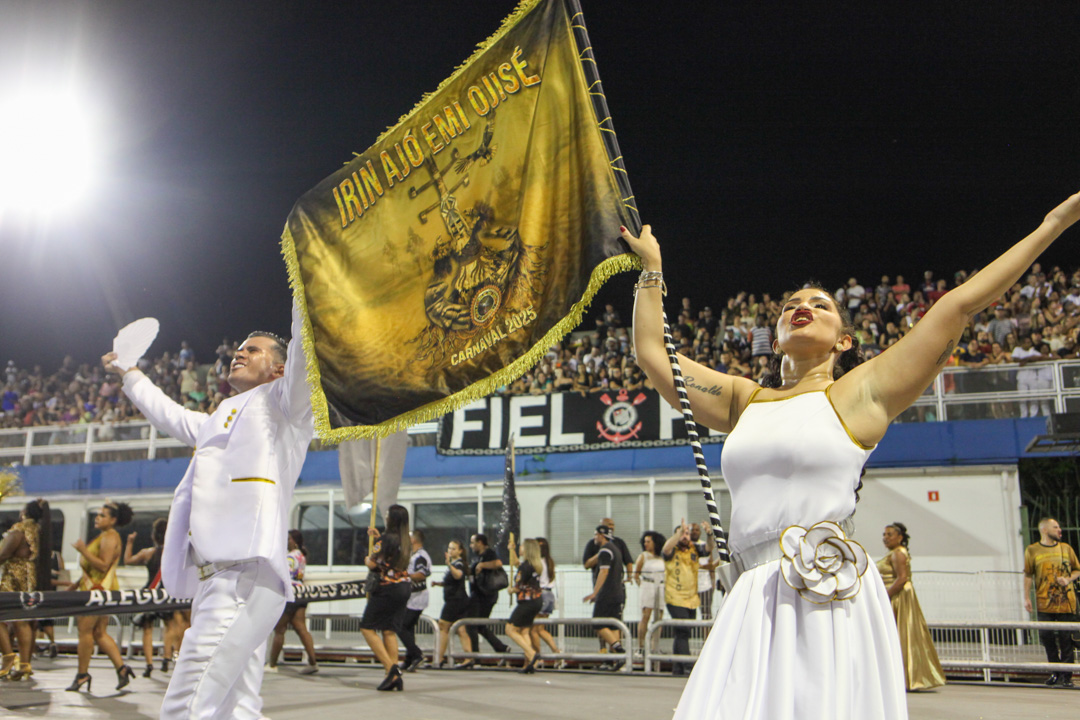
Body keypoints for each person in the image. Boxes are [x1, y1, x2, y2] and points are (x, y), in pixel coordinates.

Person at [621, 190, 1080, 719]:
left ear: (843, 341)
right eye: (792, 303)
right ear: (774, 336)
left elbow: (958, 304)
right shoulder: (740, 398)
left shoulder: (862, 392)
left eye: (822, 304)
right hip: (751, 598)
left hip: (829, 601)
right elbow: (651, 351)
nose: (803, 307)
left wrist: (1055, 222)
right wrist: (652, 270)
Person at [103, 299, 312, 720]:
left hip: (242, 575)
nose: (239, 351)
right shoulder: (218, 419)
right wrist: (130, 373)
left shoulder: (288, 404)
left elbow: (305, 345)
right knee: (237, 708)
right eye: (239, 347)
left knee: (187, 703)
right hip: (217, 580)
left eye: (253, 350)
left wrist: (305, 279)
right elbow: (169, 415)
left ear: (278, 370)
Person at [67, 501, 137, 692]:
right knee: (99, 633)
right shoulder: (105, 536)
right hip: (97, 589)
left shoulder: (109, 537)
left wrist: (82, 551)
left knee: (85, 632)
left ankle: (82, 674)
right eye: (98, 514)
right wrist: (74, 586)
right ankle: (122, 669)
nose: (97, 517)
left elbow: (103, 565)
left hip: (98, 591)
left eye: (103, 515)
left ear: (113, 520)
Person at [877, 523, 945, 691]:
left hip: (899, 597)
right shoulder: (894, 553)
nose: (886, 537)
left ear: (900, 537)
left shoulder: (898, 554)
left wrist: (885, 596)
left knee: (901, 634)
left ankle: (906, 677)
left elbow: (902, 578)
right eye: (884, 534)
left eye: (890, 534)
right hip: (898, 595)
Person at [0, 498, 53, 680]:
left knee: (6, 618)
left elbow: (4, 554)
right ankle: (25, 664)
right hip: (31, 578)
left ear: (24, 512)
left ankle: (8, 657)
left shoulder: (20, 529)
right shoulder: (40, 531)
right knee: (25, 620)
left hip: (14, 578)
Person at [1023, 517, 1080, 688]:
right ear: (1044, 530)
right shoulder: (1032, 550)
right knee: (1047, 638)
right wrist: (1026, 597)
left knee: (1066, 639)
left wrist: (1068, 579)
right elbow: (1028, 575)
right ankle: (1054, 671)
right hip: (1044, 602)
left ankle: (1066, 676)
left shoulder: (1066, 548)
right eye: (1055, 527)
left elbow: (1077, 570)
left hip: (1066, 602)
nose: (1059, 529)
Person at [361, 504, 412, 691]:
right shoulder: (406, 540)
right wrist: (377, 538)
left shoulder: (385, 539)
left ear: (392, 519)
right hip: (404, 587)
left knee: (367, 627)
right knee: (389, 630)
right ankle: (391, 673)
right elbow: (392, 556)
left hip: (387, 588)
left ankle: (392, 670)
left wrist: (368, 557)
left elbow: (374, 564)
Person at [125, 518, 183, 678]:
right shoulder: (174, 554)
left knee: (147, 629)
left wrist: (130, 542)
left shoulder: (147, 553)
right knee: (170, 626)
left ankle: (149, 664)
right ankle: (166, 658)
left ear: (154, 535)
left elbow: (127, 561)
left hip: (150, 593)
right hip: (166, 593)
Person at [267, 529, 319, 675]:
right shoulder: (301, 556)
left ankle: (272, 664)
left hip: (290, 594)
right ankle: (313, 662)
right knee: (301, 627)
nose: (286, 542)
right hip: (301, 592)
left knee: (279, 629)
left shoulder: (290, 557)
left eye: (288, 539)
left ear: (294, 541)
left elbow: (285, 574)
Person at [460, 533, 511, 666]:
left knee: (471, 624)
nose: (471, 546)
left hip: (484, 595)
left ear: (480, 543)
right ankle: (501, 648)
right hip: (482, 594)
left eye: (473, 543)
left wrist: (482, 565)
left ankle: (475, 658)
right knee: (481, 625)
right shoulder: (478, 557)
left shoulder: (488, 554)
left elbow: (498, 563)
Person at [583, 525, 627, 665]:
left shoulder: (605, 551)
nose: (594, 538)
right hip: (618, 593)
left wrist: (595, 593)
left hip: (607, 594)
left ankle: (619, 650)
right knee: (613, 626)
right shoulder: (616, 549)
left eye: (596, 535)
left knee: (598, 623)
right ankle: (616, 660)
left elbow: (603, 572)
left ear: (601, 535)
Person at [662, 520, 700, 676]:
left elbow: (710, 548)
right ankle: (687, 665)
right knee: (683, 630)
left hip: (692, 599)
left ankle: (677, 667)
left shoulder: (694, 549)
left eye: (686, 534)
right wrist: (678, 534)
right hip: (675, 597)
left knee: (682, 632)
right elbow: (666, 548)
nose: (684, 536)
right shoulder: (672, 551)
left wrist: (710, 534)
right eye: (681, 534)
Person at [505, 538, 544, 673]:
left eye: (521, 546)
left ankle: (532, 654)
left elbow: (519, 586)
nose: (520, 548)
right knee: (524, 631)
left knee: (510, 629)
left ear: (527, 549)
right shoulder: (535, 565)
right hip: (536, 601)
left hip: (527, 602)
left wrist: (511, 590)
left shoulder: (525, 567)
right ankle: (530, 664)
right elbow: (516, 563)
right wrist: (512, 550)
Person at [398, 529, 432, 672]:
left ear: (413, 540)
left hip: (417, 598)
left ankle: (417, 654)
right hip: (411, 597)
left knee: (401, 626)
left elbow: (421, 574)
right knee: (408, 628)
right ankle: (409, 658)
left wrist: (405, 576)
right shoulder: (414, 555)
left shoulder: (420, 556)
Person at [433, 539, 471, 668]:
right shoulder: (455, 563)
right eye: (449, 548)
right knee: (461, 629)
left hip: (455, 601)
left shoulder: (458, 564)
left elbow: (458, 576)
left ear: (460, 551)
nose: (450, 551)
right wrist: (438, 584)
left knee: (443, 626)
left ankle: (439, 658)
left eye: (453, 548)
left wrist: (449, 564)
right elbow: (452, 582)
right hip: (459, 599)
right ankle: (468, 657)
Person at [633, 530, 667, 656]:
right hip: (648, 585)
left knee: (659, 618)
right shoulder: (643, 556)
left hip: (661, 586)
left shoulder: (662, 556)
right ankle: (641, 647)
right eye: (645, 542)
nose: (646, 544)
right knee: (645, 616)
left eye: (649, 541)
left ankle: (655, 647)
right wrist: (641, 585)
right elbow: (636, 573)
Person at [530, 537, 561, 662]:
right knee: (541, 629)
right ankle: (556, 652)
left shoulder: (537, 563)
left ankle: (537, 656)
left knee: (533, 630)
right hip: (550, 596)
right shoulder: (550, 561)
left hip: (540, 595)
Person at [690, 522, 717, 619]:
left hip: (704, 586)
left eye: (697, 530)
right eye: (692, 530)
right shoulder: (685, 546)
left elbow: (711, 565)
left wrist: (713, 582)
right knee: (689, 615)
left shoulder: (704, 546)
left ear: (700, 532)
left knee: (706, 614)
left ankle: (708, 634)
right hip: (689, 587)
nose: (694, 532)